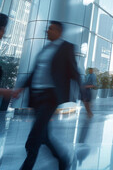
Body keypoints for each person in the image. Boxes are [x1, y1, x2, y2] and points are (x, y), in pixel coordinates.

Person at [18, 21, 81, 169]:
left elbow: (74, 71)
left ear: (59, 31)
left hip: (50, 97)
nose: (47, 31)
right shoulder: (45, 49)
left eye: (51, 29)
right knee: (43, 136)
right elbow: (35, 71)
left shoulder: (67, 48)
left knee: (33, 139)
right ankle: (63, 160)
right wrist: (20, 88)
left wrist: (83, 94)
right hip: (37, 97)